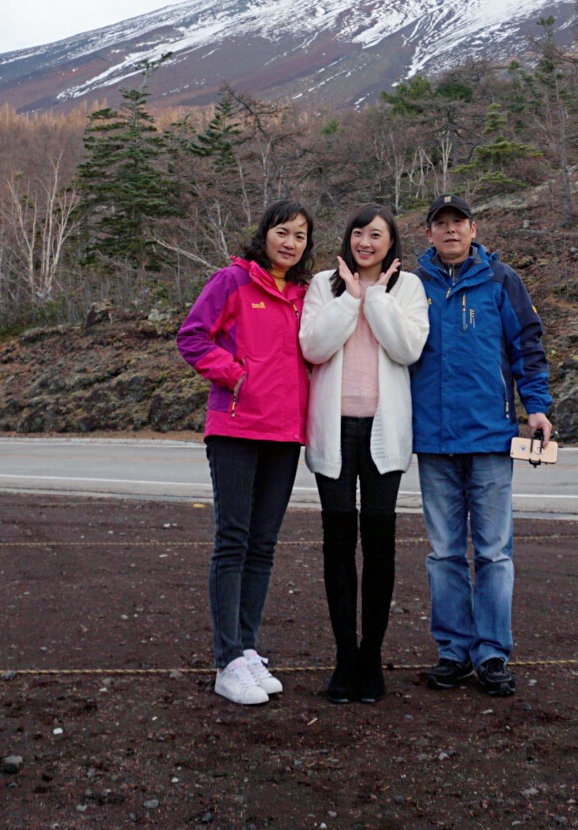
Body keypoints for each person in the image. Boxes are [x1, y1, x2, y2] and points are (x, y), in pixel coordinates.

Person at [411, 194, 552, 698]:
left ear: (473, 228)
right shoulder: (411, 284)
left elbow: (527, 346)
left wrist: (536, 406)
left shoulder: (501, 280)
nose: (450, 231)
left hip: (491, 438)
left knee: (493, 553)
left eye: (459, 223)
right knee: (445, 553)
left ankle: (492, 653)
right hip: (432, 442)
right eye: (440, 224)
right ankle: (453, 652)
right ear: (428, 233)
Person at [177, 200, 314, 706]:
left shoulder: (303, 295)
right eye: (283, 232)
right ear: (265, 235)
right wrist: (234, 374)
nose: (290, 242)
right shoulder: (231, 282)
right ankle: (226, 659)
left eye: (300, 236)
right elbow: (191, 337)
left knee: (263, 543)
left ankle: (247, 648)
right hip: (235, 428)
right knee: (232, 539)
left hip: (284, 434)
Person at [300, 204, 429, 702]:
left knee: (378, 545)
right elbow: (313, 347)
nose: (366, 242)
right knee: (337, 543)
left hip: (384, 432)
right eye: (358, 233)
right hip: (333, 431)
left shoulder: (409, 288)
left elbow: (407, 348)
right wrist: (350, 297)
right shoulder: (322, 285)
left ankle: (371, 655)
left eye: (376, 235)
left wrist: (372, 299)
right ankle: (343, 658)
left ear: (391, 241)